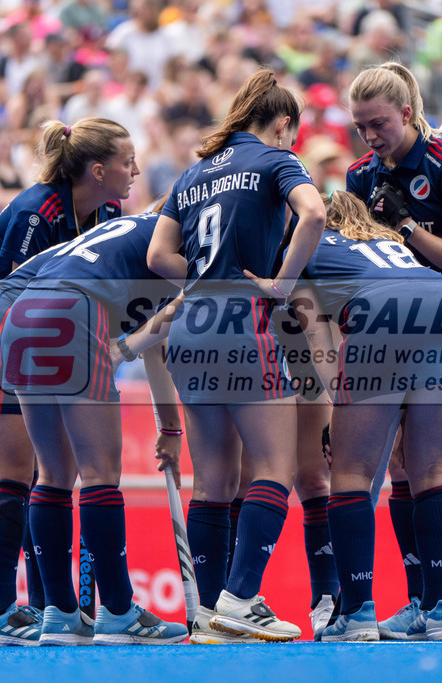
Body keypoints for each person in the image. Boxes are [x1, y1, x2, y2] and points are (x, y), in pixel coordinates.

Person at [146, 68, 326, 643]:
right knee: (274, 468)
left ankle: (208, 614)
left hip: (190, 327)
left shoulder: (193, 172)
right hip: (243, 321)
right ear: (282, 123)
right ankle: (241, 598)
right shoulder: (276, 160)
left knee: (213, 482)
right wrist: (281, 283)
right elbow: (315, 214)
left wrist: (207, 276)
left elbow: (157, 256)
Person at [0, 117, 136, 645]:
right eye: (127, 161)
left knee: (41, 474)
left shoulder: (108, 214)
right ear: (97, 170)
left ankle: (35, 606)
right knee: (9, 471)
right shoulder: (37, 211)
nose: (135, 170)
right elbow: (11, 293)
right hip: (0, 330)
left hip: (49, 340)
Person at [345, 61, 442, 635]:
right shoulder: (360, 176)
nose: (370, 136)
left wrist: (408, 229)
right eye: (360, 127)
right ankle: (423, 599)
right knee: (401, 465)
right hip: (386, 332)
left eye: (379, 123)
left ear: (406, 113)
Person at [0, 210, 185, 645]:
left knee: (53, 473)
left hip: (21, 315)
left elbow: (156, 344)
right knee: (100, 473)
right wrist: (123, 348)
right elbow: (185, 306)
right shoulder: (183, 239)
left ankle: (61, 614)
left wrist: (171, 427)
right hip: (73, 312)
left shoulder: (132, 230)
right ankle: (117, 612)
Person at [293, 191, 442, 641]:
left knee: (351, 470)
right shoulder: (388, 239)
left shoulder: (307, 242)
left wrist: (341, 410)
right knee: (433, 470)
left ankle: (357, 612)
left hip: (381, 313)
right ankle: (441, 612)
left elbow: (319, 341)